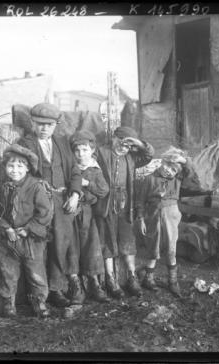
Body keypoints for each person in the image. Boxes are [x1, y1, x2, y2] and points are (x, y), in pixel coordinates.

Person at [17, 103, 83, 308]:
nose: (44, 128)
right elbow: (22, 174)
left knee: (60, 244)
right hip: (37, 204)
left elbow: (74, 171)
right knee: (39, 246)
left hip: (62, 202)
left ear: (56, 125)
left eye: (49, 124)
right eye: (40, 124)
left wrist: (75, 194)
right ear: (32, 123)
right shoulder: (25, 143)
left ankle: (57, 289)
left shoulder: (62, 143)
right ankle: (38, 294)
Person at [0, 144, 53, 318]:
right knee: (8, 271)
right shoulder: (4, 188)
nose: (14, 170)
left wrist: (29, 229)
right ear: (5, 168)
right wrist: (6, 227)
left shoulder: (36, 187)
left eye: (19, 166)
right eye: (10, 166)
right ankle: (8, 302)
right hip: (9, 239)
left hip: (31, 240)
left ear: (27, 168)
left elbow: (45, 213)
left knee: (36, 272)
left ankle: (39, 301)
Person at [95, 126, 154, 298]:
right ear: (114, 138)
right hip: (105, 201)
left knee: (128, 240)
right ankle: (110, 279)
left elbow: (148, 154)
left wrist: (137, 143)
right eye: (121, 142)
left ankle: (131, 277)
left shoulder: (132, 157)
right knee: (107, 240)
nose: (124, 147)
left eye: (128, 145)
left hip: (125, 203)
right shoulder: (101, 152)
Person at [135, 147, 196, 297]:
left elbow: (191, 171)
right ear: (162, 162)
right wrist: (141, 219)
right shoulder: (149, 179)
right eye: (168, 166)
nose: (169, 171)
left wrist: (181, 160)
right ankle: (148, 279)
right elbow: (140, 201)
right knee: (153, 245)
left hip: (171, 213)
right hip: (153, 214)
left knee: (170, 246)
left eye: (174, 170)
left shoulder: (178, 179)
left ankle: (172, 281)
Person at [69, 130, 110, 302]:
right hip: (70, 213)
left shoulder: (95, 169)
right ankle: (75, 285)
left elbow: (103, 189)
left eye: (85, 150)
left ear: (92, 150)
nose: (81, 154)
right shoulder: (70, 167)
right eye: (77, 151)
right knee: (71, 247)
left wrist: (87, 184)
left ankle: (94, 283)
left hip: (87, 213)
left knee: (91, 247)